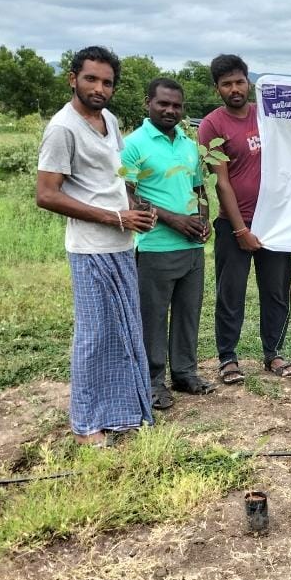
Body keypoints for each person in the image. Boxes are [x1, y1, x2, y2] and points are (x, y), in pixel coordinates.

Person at [36, 46, 156, 446]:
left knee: (124, 331)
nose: (99, 88)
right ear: (73, 78)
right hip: (90, 249)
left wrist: (135, 206)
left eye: (107, 82)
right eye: (91, 78)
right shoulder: (62, 128)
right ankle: (88, 423)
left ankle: (123, 412)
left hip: (120, 245)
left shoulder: (109, 120)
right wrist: (114, 218)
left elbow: (116, 177)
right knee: (94, 335)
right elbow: (47, 195)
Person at [198, 54, 291, 385]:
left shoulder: (267, 116)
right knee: (231, 293)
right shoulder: (212, 125)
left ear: (249, 83)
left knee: (276, 292)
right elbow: (222, 182)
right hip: (233, 225)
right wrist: (240, 229)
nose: (234, 89)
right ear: (218, 90)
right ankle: (227, 357)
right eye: (226, 84)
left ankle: (274, 353)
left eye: (239, 81)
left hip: (274, 223)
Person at [121, 77, 216, 412]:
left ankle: (185, 373)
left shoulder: (189, 147)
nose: (170, 110)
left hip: (191, 248)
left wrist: (202, 218)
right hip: (155, 245)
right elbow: (128, 194)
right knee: (154, 316)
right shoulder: (133, 144)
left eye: (176, 105)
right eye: (163, 103)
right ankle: (152, 382)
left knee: (189, 313)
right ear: (148, 102)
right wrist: (174, 219)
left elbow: (200, 190)